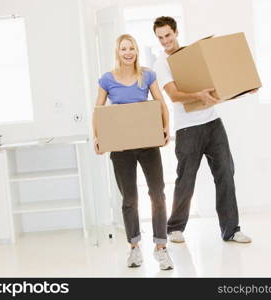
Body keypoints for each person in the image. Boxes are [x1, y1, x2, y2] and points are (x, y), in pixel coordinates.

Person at [153, 16, 257, 244]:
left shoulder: (191, 55)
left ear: (176, 32)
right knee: (186, 179)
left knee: (226, 174)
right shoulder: (162, 64)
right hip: (187, 128)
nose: (165, 41)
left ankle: (231, 230)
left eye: (168, 35)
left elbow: (217, 83)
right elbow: (173, 95)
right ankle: (175, 228)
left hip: (212, 123)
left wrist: (243, 87)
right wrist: (197, 96)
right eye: (160, 38)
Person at [92, 34, 174, 270]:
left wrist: (166, 128)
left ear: (136, 51)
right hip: (121, 148)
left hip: (148, 144)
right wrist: (98, 137)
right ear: (118, 52)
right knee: (130, 199)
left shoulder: (147, 75)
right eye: (123, 49)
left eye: (132, 49)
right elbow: (98, 110)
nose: (128, 53)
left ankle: (161, 248)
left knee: (157, 193)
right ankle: (135, 248)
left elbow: (160, 103)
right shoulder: (107, 79)